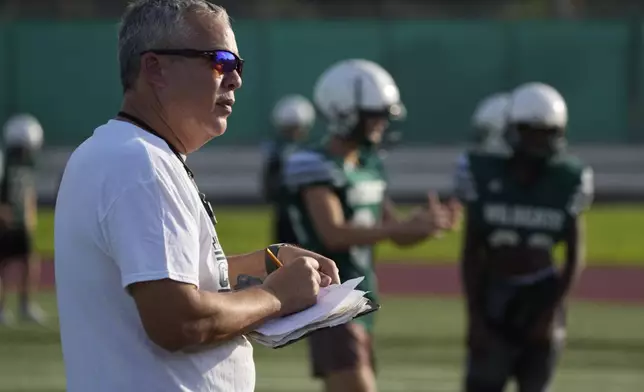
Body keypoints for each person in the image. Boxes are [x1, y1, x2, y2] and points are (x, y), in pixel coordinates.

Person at [54, 2, 339, 391]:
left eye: (239, 65)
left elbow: (175, 275)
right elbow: (179, 320)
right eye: (219, 60)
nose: (236, 78)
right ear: (155, 68)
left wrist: (270, 260)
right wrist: (275, 297)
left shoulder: (128, 154)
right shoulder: (138, 164)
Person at [283, 59, 461, 392]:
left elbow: (392, 229)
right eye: (374, 115)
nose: (381, 124)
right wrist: (400, 230)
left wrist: (424, 225)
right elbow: (332, 234)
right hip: (328, 296)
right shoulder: (314, 164)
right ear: (344, 113)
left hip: (363, 296)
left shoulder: (370, 164)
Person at [454, 82, 593, 392]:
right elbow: (471, 253)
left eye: (546, 131)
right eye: (530, 130)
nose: (538, 140)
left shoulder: (566, 180)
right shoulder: (487, 175)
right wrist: (475, 316)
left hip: (542, 292)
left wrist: (551, 311)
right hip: (495, 295)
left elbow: (574, 254)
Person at [0, 113, 47, 325]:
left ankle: (26, 305)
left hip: (22, 223)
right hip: (5, 221)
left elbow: (28, 193)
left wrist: (30, 215)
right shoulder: (5, 162)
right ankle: (2, 309)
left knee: (30, 261)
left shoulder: (28, 164)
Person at [260, 94, 315, 245]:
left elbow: (268, 185)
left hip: (289, 210)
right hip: (290, 211)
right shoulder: (306, 152)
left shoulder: (276, 151)